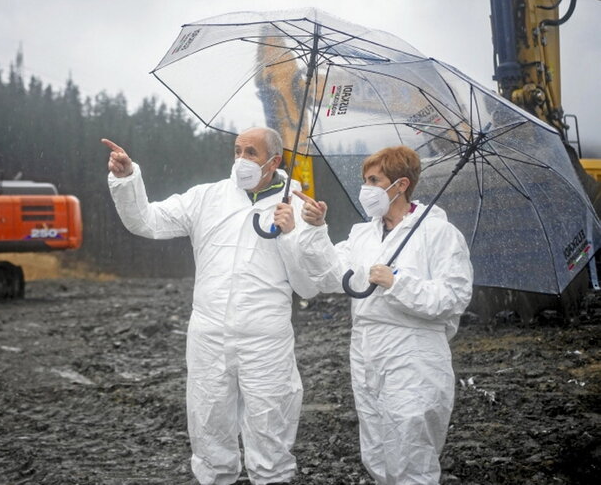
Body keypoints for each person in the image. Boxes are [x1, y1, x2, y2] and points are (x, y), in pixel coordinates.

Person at [102, 127, 319, 485]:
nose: (241, 159)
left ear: (274, 161)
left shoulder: (295, 205)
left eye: (251, 152)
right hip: (209, 337)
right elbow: (147, 222)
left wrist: (293, 233)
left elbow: (308, 285)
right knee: (209, 428)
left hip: (265, 341)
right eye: (237, 150)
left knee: (270, 431)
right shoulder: (207, 198)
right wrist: (126, 178)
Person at [274, 145, 473, 485]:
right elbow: (331, 276)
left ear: (401, 184)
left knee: (410, 445)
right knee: (377, 445)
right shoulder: (363, 234)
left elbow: (454, 297)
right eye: (365, 179)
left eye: (373, 180)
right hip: (366, 348)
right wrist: (317, 228)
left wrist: (398, 283)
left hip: (414, 351)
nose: (365, 188)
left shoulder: (438, 233)